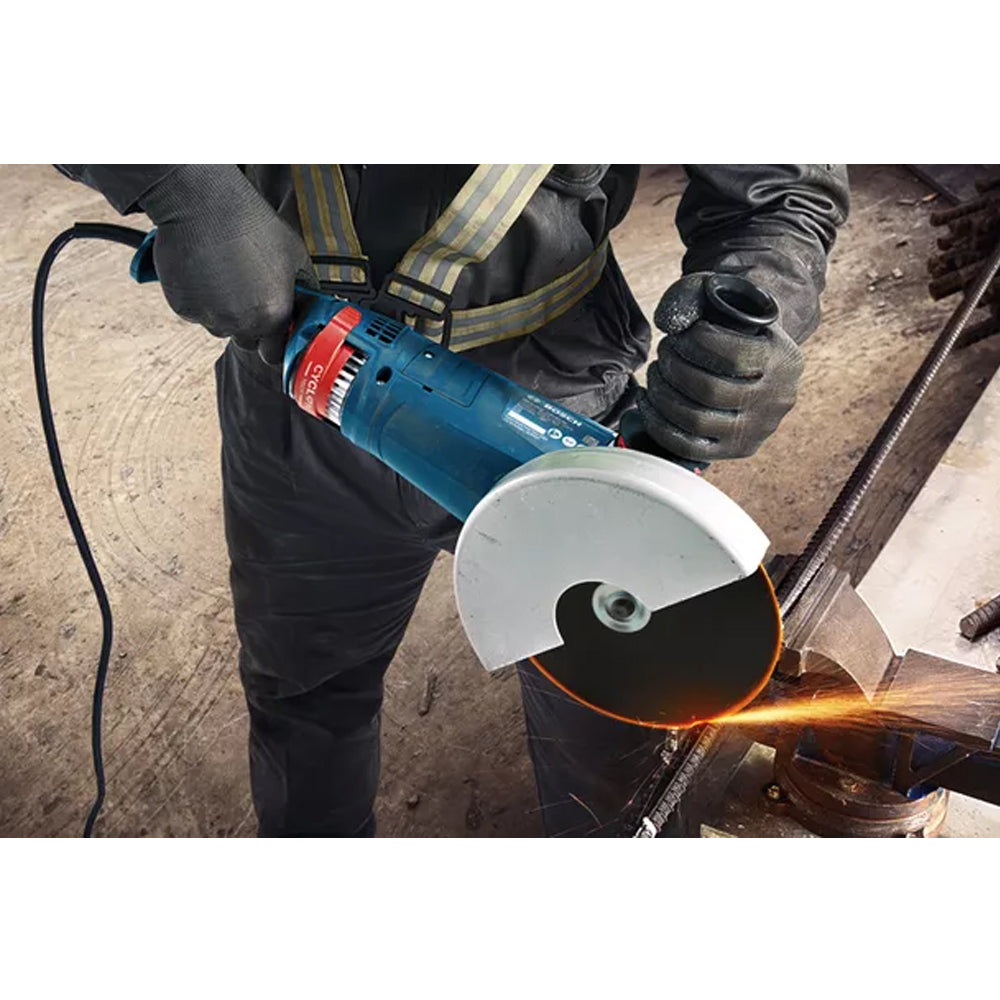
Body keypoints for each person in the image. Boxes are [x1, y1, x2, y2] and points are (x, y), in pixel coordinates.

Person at [58, 164, 850, 837]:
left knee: (624, 741)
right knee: (304, 696)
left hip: (557, 408)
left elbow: (778, 189)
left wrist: (762, 300)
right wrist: (180, 181)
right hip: (301, 388)